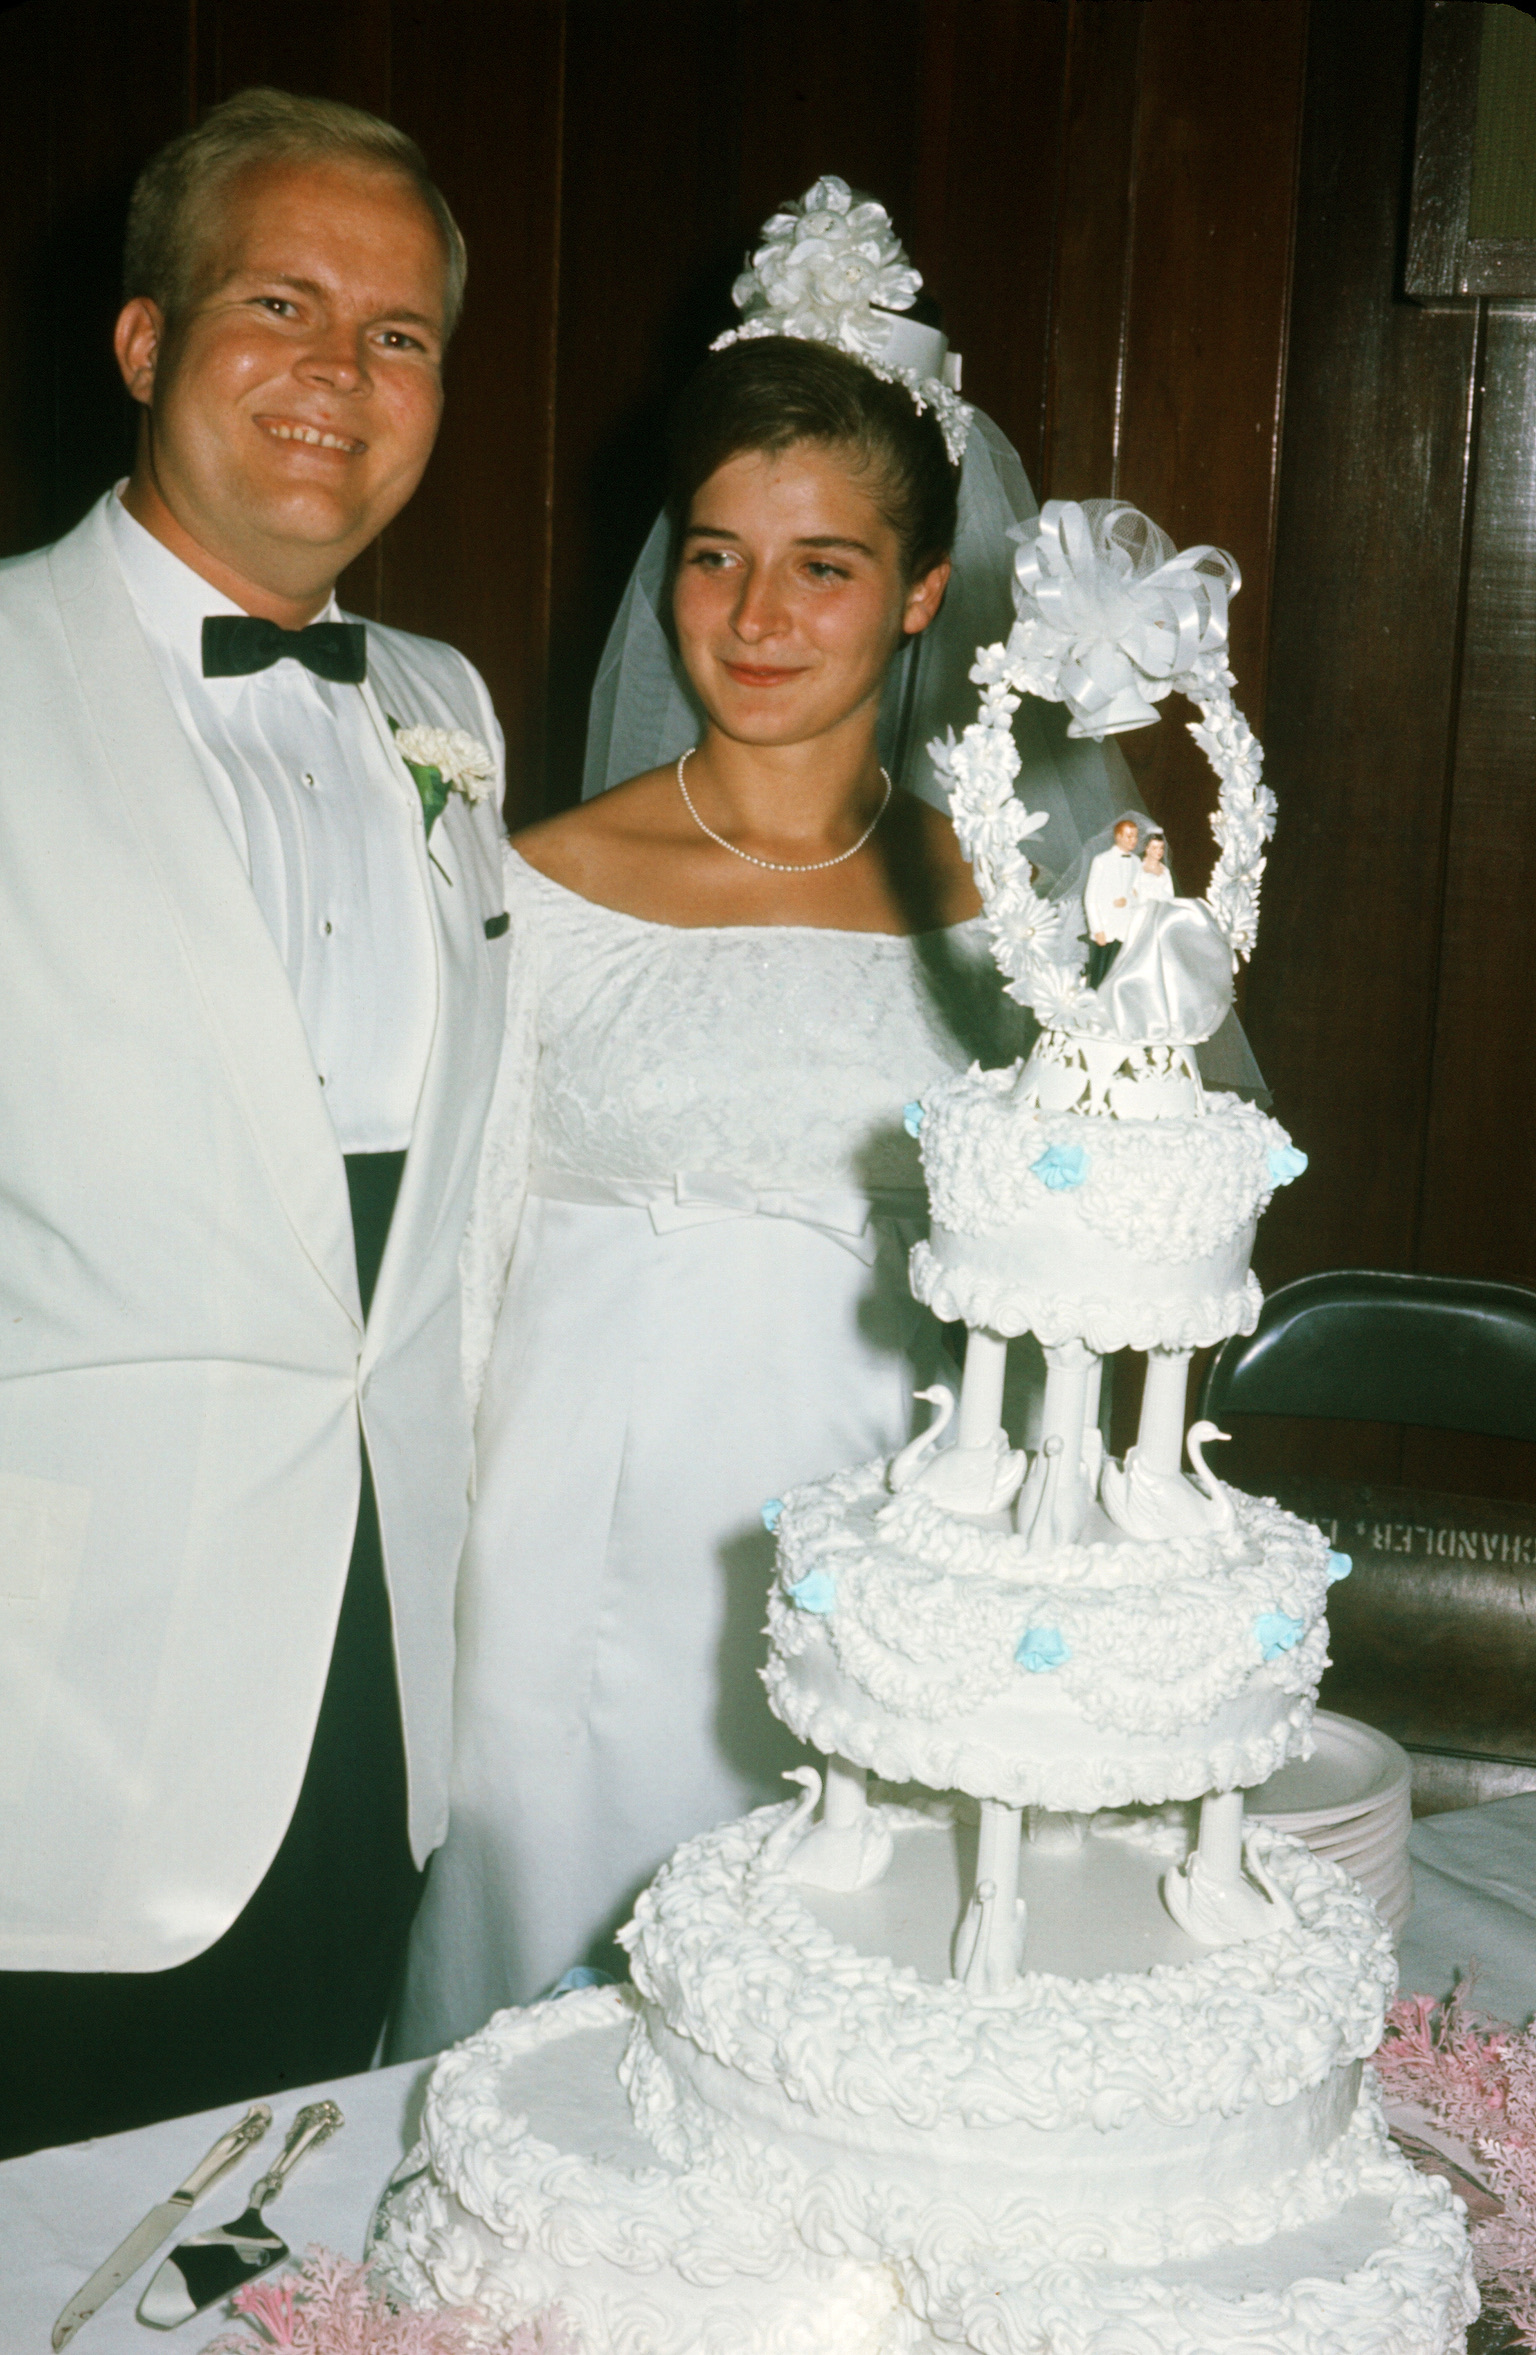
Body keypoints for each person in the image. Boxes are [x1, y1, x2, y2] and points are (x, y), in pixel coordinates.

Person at [388, 329, 1030, 2056]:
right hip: (570, 1565)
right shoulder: (543, 886)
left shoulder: (1011, 916)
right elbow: (462, 1267)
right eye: (718, 557)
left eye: (824, 567)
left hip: (880, 1570)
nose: (757, 619)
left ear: (917, 596)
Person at [0, 89, 508, 2156]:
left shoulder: (447, 711)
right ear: (143, 344)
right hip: (54, 1697)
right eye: (280, 304)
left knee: (274, 2233)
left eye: (398, 335)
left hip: (374, 1698)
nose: (340, 375)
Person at [1083, 812, 1143, 983]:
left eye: (1135, 836)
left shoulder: (1136, 862)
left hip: (1125, 925)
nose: (1133, 840)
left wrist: (1128, 900)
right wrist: (1097, 928)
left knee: (1117, 971)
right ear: (1118, 837)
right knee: (1099, 970)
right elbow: (1090, 897)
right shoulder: (1102, 860)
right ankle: (1093, 998)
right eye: (1129, 836)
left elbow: (1137, 893)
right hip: (1106, 925)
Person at [1134, 827, 1174, 904]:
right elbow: (1133, 891)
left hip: (1162, 906)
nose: (1159, 851)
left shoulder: (1165, 870)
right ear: (1147, 848)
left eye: (1161, 848)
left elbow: (1170, 894)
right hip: (1143, 906)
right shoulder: (1138, 867)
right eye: (1155, 848)